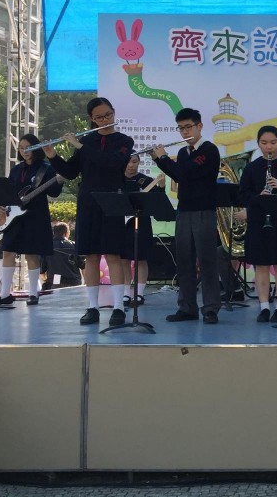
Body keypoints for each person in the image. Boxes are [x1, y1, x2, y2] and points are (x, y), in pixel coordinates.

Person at [43, 97, 134, 326]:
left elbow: (112, 163)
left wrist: (81, 146)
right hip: (88, 202)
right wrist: (52, 155)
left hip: (112, 200)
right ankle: (92, 307)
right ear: (91, 119)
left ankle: (118, 307)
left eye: (108, 115)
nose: (104, 120)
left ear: (113, 112)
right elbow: (71, 172)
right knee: (90, 256)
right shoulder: (87, 140)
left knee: (113, 255)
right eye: (99, 117)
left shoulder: (124, 141)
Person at [152, 108, 222, 324]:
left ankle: (210, 308)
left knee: (207, 261)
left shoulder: (209, 150)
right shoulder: (183, 152)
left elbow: (186, 173)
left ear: (200, 126)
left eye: (188, 127)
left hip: (204, 211)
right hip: (184, 211)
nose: (184, 132)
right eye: (181, 128)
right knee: (184, 261)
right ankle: (187, 307)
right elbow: (177, 176)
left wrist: (163, 157)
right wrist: (158, 159)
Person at [239, 126, 277, 323]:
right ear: (258, 144)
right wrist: (259, 196)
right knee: (261, 265)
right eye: (264, 143)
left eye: (273, 143)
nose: (269, 147)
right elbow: (243, 195)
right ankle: (264, 306)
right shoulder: (252, 168)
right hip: (258, 221)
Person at [0, 134, 63, 306]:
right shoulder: (16, 170)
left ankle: (33, 292)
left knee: (32, 254)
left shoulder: (46, 168)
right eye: (21, 148)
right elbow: (8, 192)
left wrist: (60, 181)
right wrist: (0, 205)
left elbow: (54, 193)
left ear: (36, 148)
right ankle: (4, 294)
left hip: (35, 216)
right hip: (14, 216)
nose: (24, 151)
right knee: (8, 251)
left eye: (28, 148)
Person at [119, 154, 162, 307]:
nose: (131, 165)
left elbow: (158, 199)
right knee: (123, 258)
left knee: (141, 258)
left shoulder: (146, 180)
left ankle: (139, 293)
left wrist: (161, 186)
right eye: (128, 161)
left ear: (139, 163)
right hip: (121, 222)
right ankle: (126, 292)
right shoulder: (116, 179)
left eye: (134, 162)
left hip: (142, 221)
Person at [42, 222, 83, 289]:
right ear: (66, 233)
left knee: (55, 284)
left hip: (55, 281)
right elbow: (84, 266)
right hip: (74, 282)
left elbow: (42, 271)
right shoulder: (74, 245)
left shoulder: (47, 247)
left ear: (54, 233)